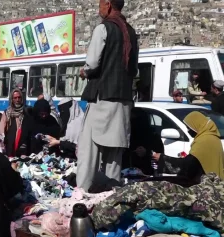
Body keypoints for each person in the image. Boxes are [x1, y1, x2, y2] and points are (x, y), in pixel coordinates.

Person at [76, 0, 139, 190]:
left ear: (108, 5)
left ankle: (81, 195)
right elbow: (133, 68)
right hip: (124, 102)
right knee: (114, 158)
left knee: (89, 153)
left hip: (102, 98)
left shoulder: (103, 29)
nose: (99, 9)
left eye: (101, 5)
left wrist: (84, 72)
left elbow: (92, 63)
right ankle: (111, 198)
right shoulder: (131, 32)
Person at [153, 111, 224, 182]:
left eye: (189, 128)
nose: (188, 130)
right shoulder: (213, 137)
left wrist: (162, 158)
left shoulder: (203, 141)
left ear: (196, 125)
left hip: (204, 185)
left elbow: (188, 166)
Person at [122, 108, 164, 175]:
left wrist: (147, 152)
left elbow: (158, 155)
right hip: (126, 172)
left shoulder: (153, 136)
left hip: (147, 173)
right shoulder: (125, 135)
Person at [0, 88, 33, 157]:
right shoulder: (7, 112)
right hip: (10, 142)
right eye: (15, 98)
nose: (17, 100)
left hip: (24, 142)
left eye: (19, 97)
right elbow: (1, 129)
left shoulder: (26, 111)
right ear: (12, 99)